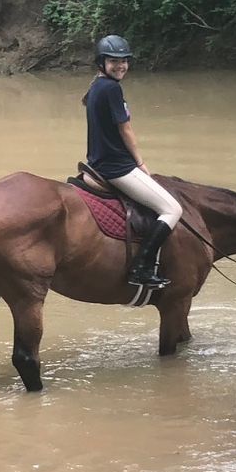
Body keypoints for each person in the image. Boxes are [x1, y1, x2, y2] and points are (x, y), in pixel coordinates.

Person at [83, 34, 181, 290]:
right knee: (172, 210)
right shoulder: (112, 88)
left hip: (97, 161)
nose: (121, 66)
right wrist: (140, 163)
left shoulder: (95, 87)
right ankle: (142, 267)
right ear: (101, 62)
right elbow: (125, 128)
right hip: (116, 167)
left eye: (124, 61)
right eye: (114, 61)